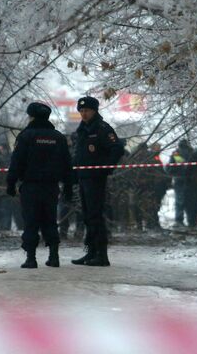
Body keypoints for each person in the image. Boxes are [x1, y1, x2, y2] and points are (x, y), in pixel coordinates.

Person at [6, 102, 72, 268]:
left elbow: (16, 162)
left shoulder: (25, 136)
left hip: (31, 186)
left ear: (32, 117)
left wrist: (11, 182)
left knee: (31, 220)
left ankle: (31, 258)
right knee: (50, 219)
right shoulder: (58, 137)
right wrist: (69, 186)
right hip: (51, 187)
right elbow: (67, 164)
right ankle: (54, 256)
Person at [71, 96, 124, 267]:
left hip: (96, 178)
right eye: (81, 111)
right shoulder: (82, 130)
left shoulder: (102, 128)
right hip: (83, 178)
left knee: (95, 216)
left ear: (94, 111)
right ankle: (91, 251)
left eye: (87, 110)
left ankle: (102, 254)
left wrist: (106, 168)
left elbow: (117, 149)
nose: (84, 114)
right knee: (87, 216)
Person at [167, 139, 194, 227]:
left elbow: (170, 168)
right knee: (190, 200)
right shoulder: (192, 152)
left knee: (179, 201)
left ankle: (179, 220)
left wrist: (172, 174)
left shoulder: (176, 153)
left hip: (179, 180)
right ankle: (191, 220)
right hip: (191, 180)